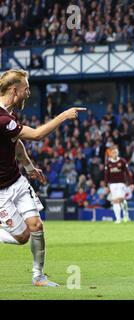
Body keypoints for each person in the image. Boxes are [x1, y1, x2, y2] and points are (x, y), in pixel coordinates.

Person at [0, 69, 84, 286]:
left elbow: (16, 142)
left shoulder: (8, 115)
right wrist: (64, 116)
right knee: (23, 237)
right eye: (27, 89)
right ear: (14, 90)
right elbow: (36, 135)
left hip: (16, 181)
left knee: (36, 226)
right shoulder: (1, 118)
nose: (28, 93)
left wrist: (29, 167)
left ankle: (39, 277)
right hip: (1, 191)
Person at [105, 145, 134, 223]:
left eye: (116, 152)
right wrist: (106, 185)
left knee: (121, 199)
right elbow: (106, 175)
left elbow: (127, 173)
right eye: (113, 152)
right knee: (115, 200)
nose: (115, 154)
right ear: (110, 154)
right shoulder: (108, 163)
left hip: (121, 183)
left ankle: (126, 215)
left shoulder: (122, 161)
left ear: (117, 153)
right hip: (112, 184)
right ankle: (118, 219)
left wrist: (131, 183)